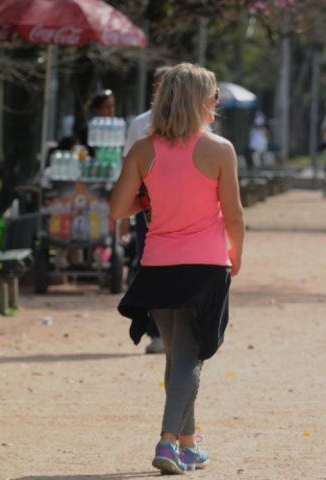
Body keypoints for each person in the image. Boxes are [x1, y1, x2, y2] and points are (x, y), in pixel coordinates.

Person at [111, 63, 245, 475]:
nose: (217, 103)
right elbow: (234, 213)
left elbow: (118, 208)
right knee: (189, 355)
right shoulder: (219, 149)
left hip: (158, 265)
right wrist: (236, 252)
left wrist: (150, 200)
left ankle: (188, 444)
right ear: (199, 102)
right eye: (213, 96)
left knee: (177, 354)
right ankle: (168, 442)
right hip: (204, 264)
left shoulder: (143, 150)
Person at [124, 66, 173, 355]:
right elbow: (128, 172)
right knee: (151, 268)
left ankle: (179, 330)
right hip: (149, 210)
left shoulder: (198, 125)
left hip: (187, 211)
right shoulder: (140, 124)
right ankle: (156, 331)